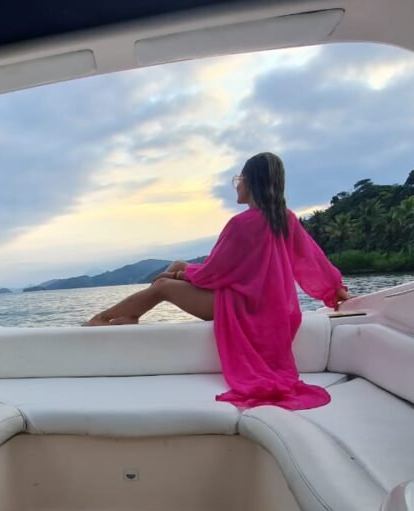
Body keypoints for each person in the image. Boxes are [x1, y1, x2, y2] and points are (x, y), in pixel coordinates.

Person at [84, 152, 349, 410]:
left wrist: (175, 277)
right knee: (177, 266)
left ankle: (102, 317)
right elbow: (311, 259)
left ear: (250, 182)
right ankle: (131, 315)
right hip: (276, 310)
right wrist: (334, 288)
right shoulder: (285, 219)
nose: (237, 185)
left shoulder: (241, 224)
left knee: (163, 286)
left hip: (244, 311)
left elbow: (213, 274)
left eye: (239, 179)